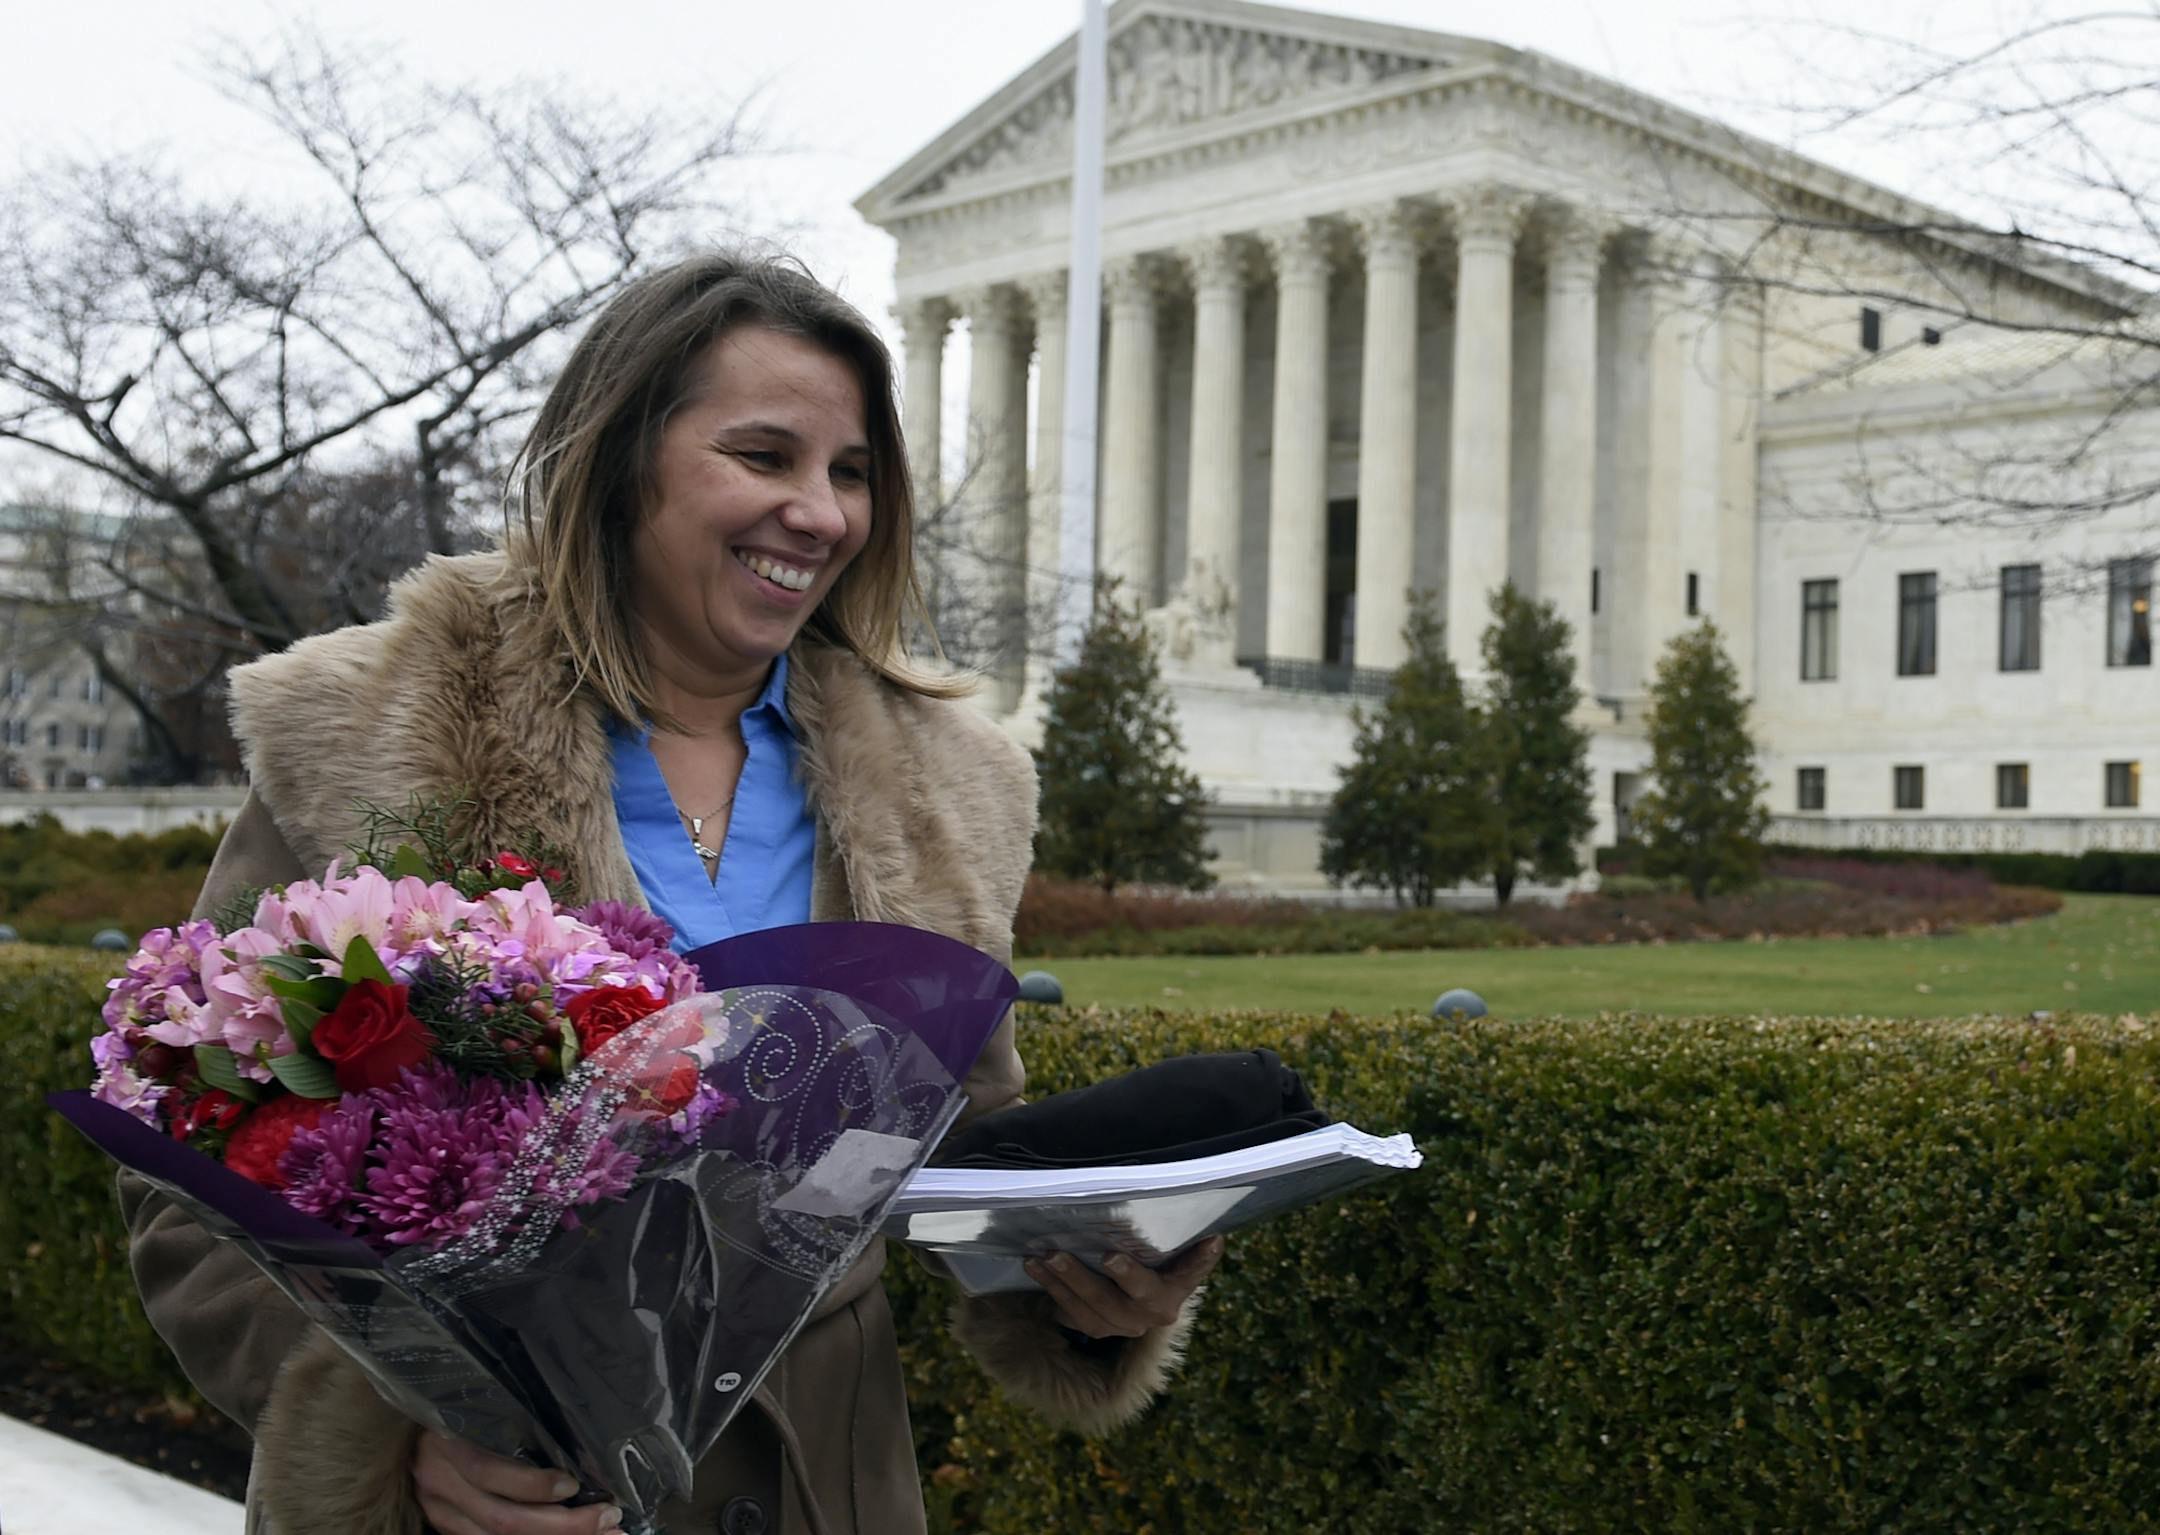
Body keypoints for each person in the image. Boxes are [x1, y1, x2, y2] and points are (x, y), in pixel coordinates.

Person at [118, 251, 1221, 1535]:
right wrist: (394, 1434)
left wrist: (1081, 1283)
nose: (820, 512)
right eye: (765, 456)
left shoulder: (949, 780)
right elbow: (189, 1166)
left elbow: (950, 1155)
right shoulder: (370, 727)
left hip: (822, 1489)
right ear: (624, 454)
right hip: (494, 1505)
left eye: (851, 472)